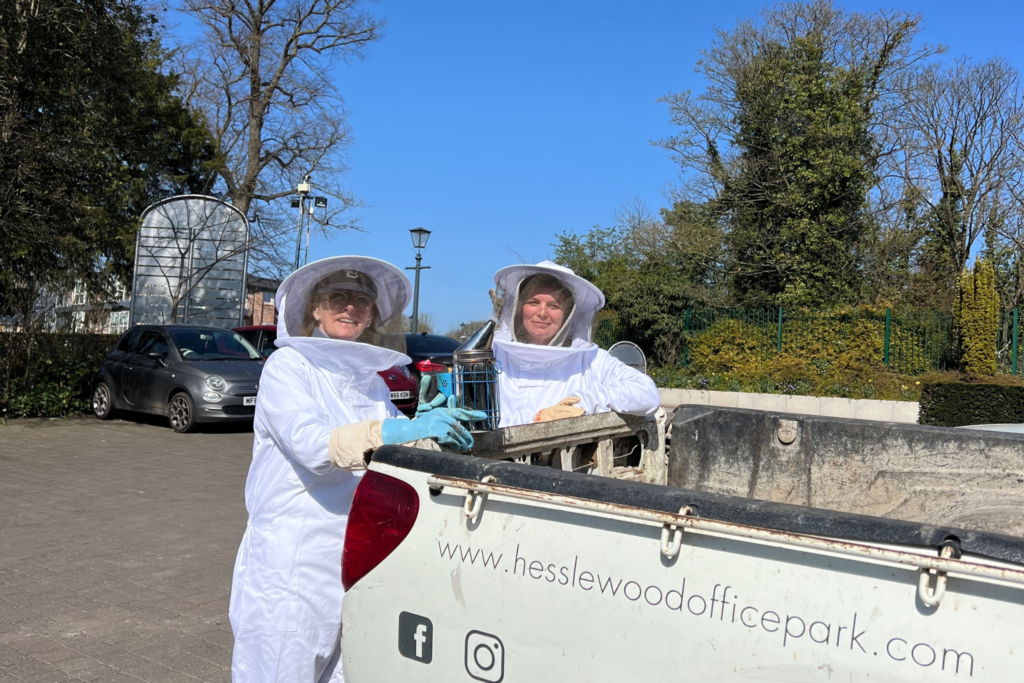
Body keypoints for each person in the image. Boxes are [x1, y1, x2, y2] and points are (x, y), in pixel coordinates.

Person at [229, 256, 483, 683]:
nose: (350, 308)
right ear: (314, 308)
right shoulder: (288, 367)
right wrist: (402, 429)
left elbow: (388, 450)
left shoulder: (369, 379)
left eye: (362, 301)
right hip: (293, 563)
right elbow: (316, 446)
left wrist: (429, 429)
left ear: (373, 314)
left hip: (357, 557)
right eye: (337, 298)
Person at [490, 260, 661, 427]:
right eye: (533, 303)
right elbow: (474, 420)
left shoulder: (590, 359)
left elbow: (647, 394)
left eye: (553, 306)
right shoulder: (490, 355)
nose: (542, 313)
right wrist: (535, 418)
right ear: (519, 307)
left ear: (568, 314)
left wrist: (586, 401)